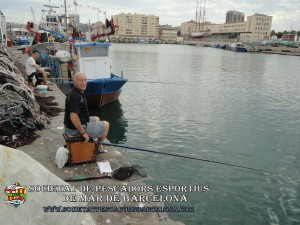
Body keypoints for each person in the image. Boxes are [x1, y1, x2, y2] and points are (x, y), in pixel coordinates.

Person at [64, 72, 110, 152]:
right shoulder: (75, 96)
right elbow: (74, 117)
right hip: (74, 130)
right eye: (80, 80)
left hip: (72, 125)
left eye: (85, 80)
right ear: (74, 81)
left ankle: (93, 140)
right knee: (106, 125)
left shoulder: (77, 92)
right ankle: (98, 148)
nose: (83, 82)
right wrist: (83, 133)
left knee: (97, 118)